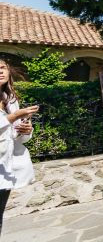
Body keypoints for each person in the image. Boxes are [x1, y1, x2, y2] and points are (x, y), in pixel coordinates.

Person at [0, 58, 37, 231]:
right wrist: (13, 117)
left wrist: (26, 130)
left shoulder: (11, 99)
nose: (0, 72)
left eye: (3, 68)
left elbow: (15, 137)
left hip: (6, 167)